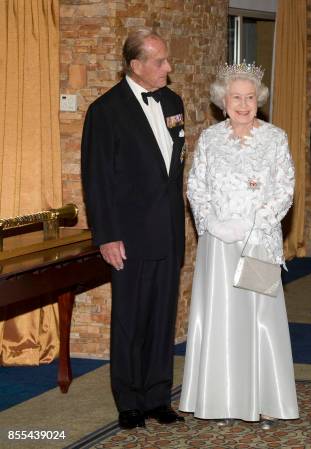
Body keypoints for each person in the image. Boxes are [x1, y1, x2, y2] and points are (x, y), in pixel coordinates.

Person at [178, 62, 299, 430]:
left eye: (250, 98)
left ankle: (263, 399)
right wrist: (213, 223)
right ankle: (221, 398)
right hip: (218, 244)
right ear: (222, 100)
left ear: (258, 100)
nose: (243, 105)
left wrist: (253, 222)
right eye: (236, 98)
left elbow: (285, 189)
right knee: (222, 319)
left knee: (259, 318)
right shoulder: (210, 139)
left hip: (259, 241)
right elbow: (196, 186)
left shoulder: (275, 138)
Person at [81, 29, 186, 429]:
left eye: (167, 59)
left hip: (168, 232)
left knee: (162, 319)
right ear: (135, 65)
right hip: (127, 236)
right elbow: (97, 180)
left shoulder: (173, 101)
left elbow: (172, 173)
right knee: (130, 321)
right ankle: (128, 401)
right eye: (160, 62)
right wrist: (106, 236)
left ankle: (158, 396)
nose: (168, 67)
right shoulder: (105, 110)